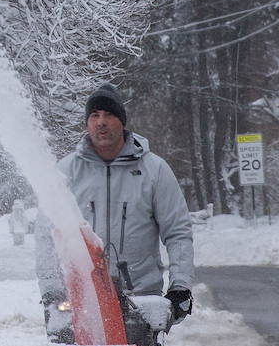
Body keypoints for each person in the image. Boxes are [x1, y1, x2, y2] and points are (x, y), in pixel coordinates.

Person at [35, 83, 195, 332]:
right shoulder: (66, 173)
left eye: (109, 115)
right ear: (87, 123)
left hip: (140, 299)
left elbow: (178, 232)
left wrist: (180, 287)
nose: (101, 122)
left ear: (122, 121)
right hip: (82, 300)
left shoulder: (154, 170)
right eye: (94, 115)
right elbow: (47, 235)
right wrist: (51, 291)